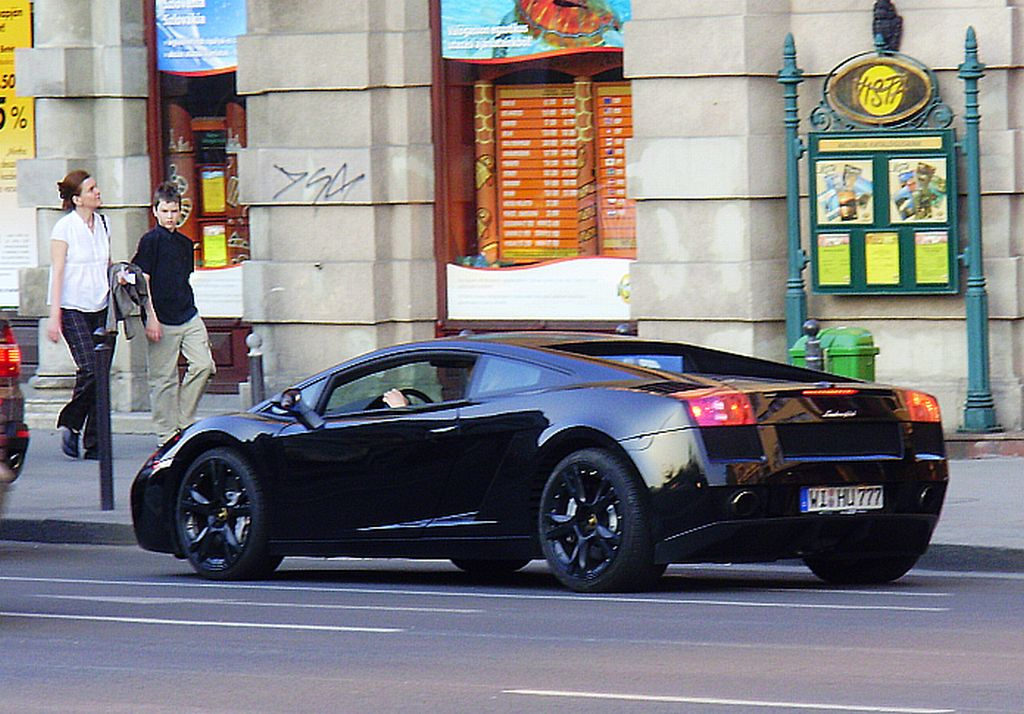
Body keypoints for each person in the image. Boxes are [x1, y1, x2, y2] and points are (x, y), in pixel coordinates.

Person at [132, 182, 215, 444]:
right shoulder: (150, 241)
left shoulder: (184, 243)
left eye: (174, 211)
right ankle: (166, 434)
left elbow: (184, 278)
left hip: (187, 312)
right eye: (165, 211)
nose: (170, 216)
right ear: (155, 211)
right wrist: (151, 317)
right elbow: (143, 280)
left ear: (180, 212)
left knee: (204, 365)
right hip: (161, 318)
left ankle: (183, 419)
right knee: (163, 379)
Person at [47, 170, 111, 460]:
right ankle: (72, 424)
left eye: (96, 188)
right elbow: (57, 271)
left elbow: (106, 262)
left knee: (102, 374)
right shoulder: (64, 228)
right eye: (91, 189)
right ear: (77, 199)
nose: (97, 192)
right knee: (89, 368)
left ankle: (95, 442)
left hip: (102, 305)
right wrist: (54, 314)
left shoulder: (103, 223)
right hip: (73, 307)